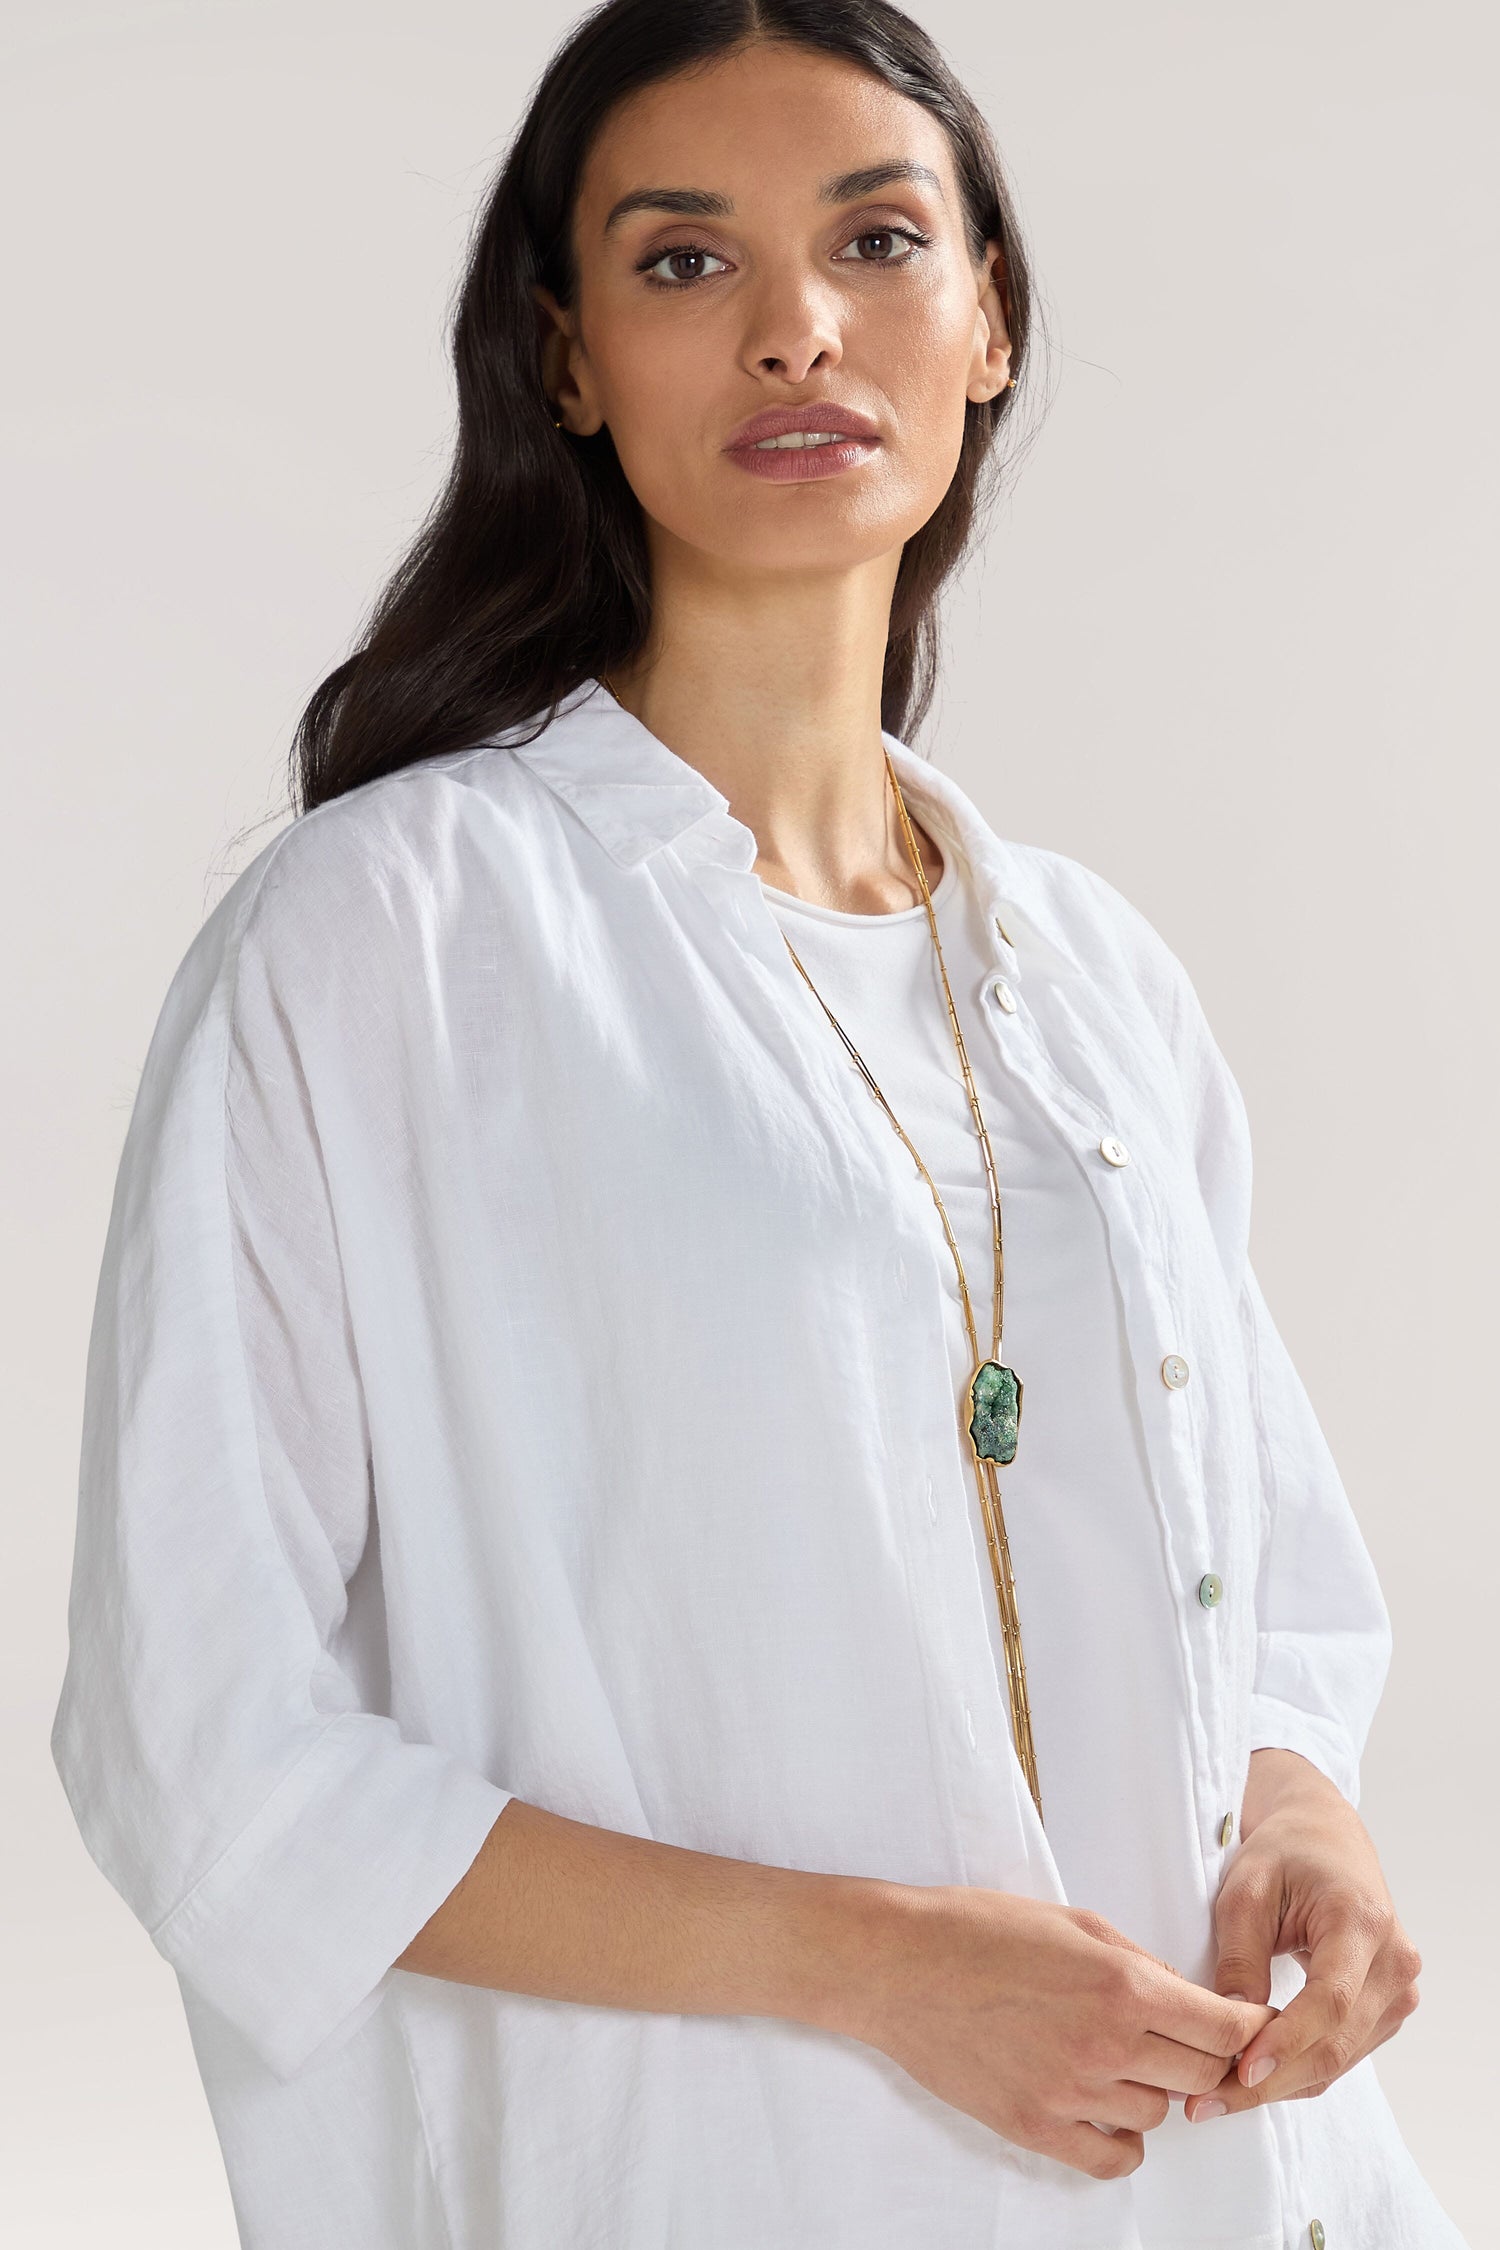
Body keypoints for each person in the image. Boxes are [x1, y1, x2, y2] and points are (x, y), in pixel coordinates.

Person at [50, 2, 1468, 2244]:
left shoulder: (1094, 982)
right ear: (569, 359)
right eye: (687, 263)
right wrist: (879, 1968)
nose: (801, 326)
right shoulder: (387, 944)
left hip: (1242, 2193)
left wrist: (1312, 1822)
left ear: (989, 322)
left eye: (879, 241)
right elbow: (207, 1758)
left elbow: (1269, 1595)